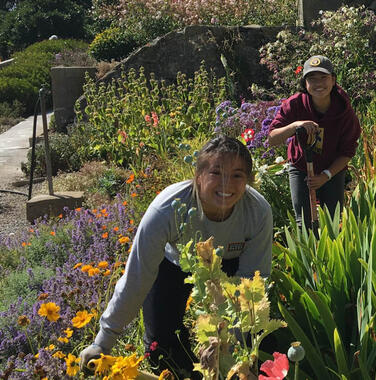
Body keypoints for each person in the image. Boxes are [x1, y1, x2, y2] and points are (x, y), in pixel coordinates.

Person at [79, 136, 273, 379]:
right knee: (162, 350)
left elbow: (253, 281)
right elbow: (137, 278)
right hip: (176, 266)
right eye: (216, 172)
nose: (227, 184)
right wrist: (103, 342)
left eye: (237, 175)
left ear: (248, 180)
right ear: (199, 175)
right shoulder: (168, 209)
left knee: (256, 344)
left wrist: (231, 355)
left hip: (231, 267)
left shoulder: (258, 211)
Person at [266, 55, 361, 229]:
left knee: (332, 222)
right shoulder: (294, 104)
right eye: (312, 79)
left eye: (323, 78)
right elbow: (272, 138)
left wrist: (325, 175)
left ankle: (330, 254)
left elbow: (347, 152)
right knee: (304, 223)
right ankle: (309, 254)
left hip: (332, 170)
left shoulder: (344, 111)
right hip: (301, 167)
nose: (318, 84)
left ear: (333, 80)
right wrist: (295, 126)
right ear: (305, 83)